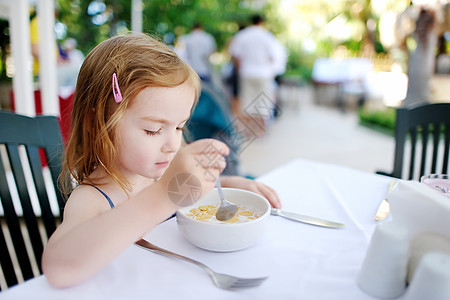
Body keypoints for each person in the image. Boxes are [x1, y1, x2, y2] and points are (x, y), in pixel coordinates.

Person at [41, 33, 281, 288]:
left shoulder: (154, 174)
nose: (172, 145)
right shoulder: (94, 198)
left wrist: (231, 182)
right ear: (97, 124)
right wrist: (163, 196)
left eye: (179, 127)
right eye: (153, 130)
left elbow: (183, 192)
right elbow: (59, 270)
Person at [228, 14, 279, 137]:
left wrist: (240, 67)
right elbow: (273, 57)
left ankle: (248, 129)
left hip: (246, 73)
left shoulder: (243, 35)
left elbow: (235, 54)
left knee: (247, 100)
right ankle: (260, 130)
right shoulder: (267, 36)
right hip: (263, 73)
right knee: (263, 101)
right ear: (262, 22)